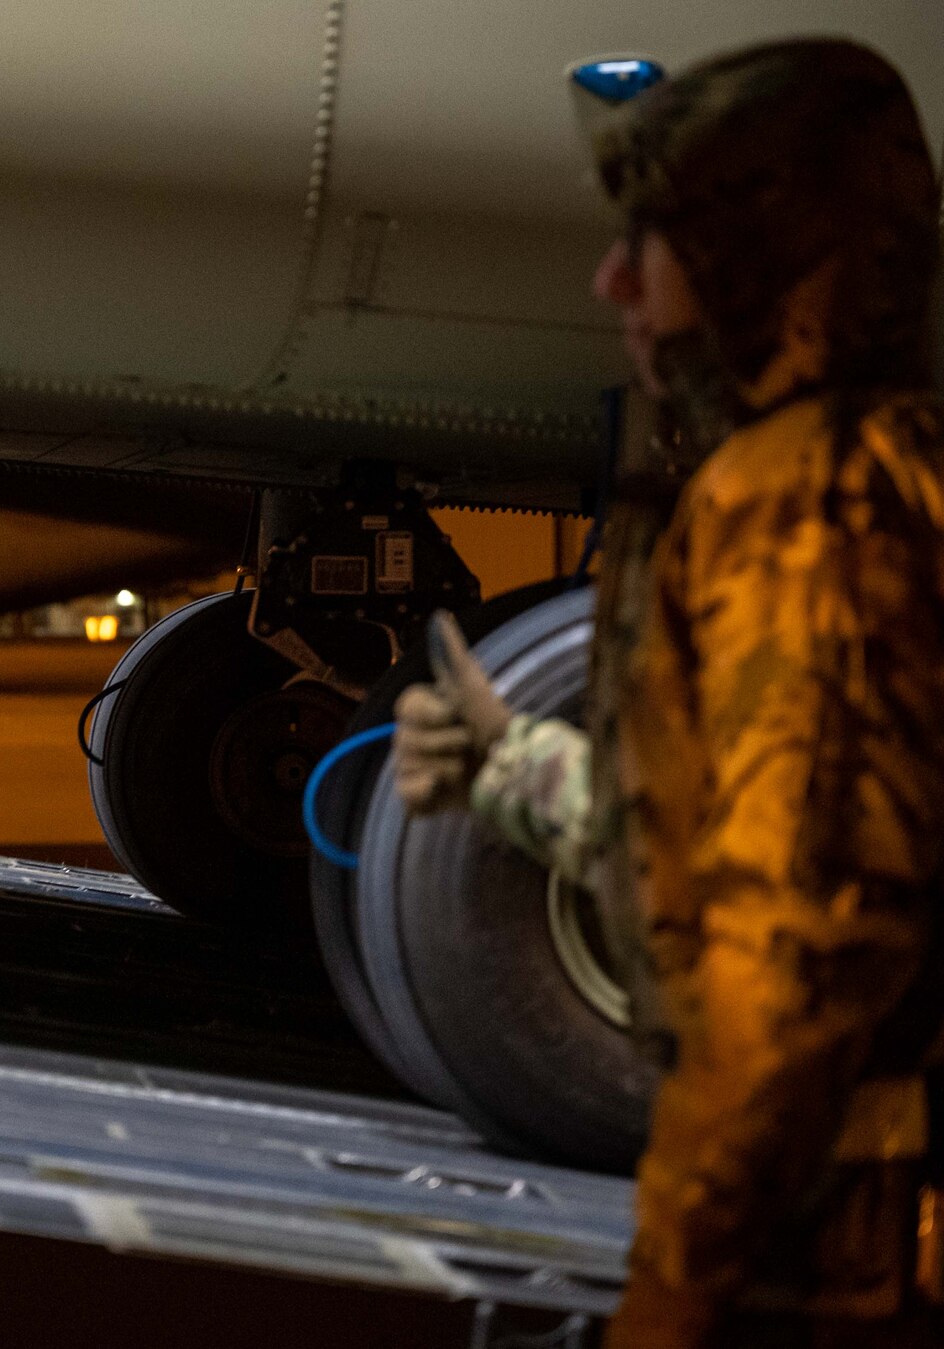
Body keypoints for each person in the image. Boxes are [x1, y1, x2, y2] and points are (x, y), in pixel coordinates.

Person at [393, 39, 944, 1348]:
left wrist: (672, 1299)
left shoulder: (806, 511)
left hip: (810, 1256)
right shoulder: (862, 474)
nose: (615, 282)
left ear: (782, 263)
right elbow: (728, 849)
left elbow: (785, 965)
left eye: (661, 240)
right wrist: (512, 766)